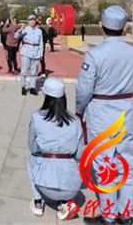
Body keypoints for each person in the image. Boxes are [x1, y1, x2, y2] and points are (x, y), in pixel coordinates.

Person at [76, 5, 133, 225]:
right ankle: (127, 214)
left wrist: (80, 109)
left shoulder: (95, 55)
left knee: (105, 165)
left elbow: (84, 89)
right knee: (128, 164)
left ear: (101, 26)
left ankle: (109, 215)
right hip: (127, 110)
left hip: (102, 111)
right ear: (124, 28)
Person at [27, 78, 83, 220]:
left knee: (31, 158)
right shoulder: (75, 121)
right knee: (72, 163)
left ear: (46, 96)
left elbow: (32, 146)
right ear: (64, 97)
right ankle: (66, 203)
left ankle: (38, 202)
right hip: (72, 187)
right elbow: (80, 154)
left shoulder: (37, 117)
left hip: (45, 185)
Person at [16, 15, 44, 96]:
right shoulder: (25, 29)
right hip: (26, 52)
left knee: (34, 71)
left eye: (33, 20)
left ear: (35, 21)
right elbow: (16, 36)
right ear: (28, 21)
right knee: (24, 71)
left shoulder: (39, 31)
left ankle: (32, 88)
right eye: (30, 20)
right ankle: (23, 87)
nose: (32, 21)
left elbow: (41, 43)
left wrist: (41, 54)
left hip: (35, 52)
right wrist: (20, 30)